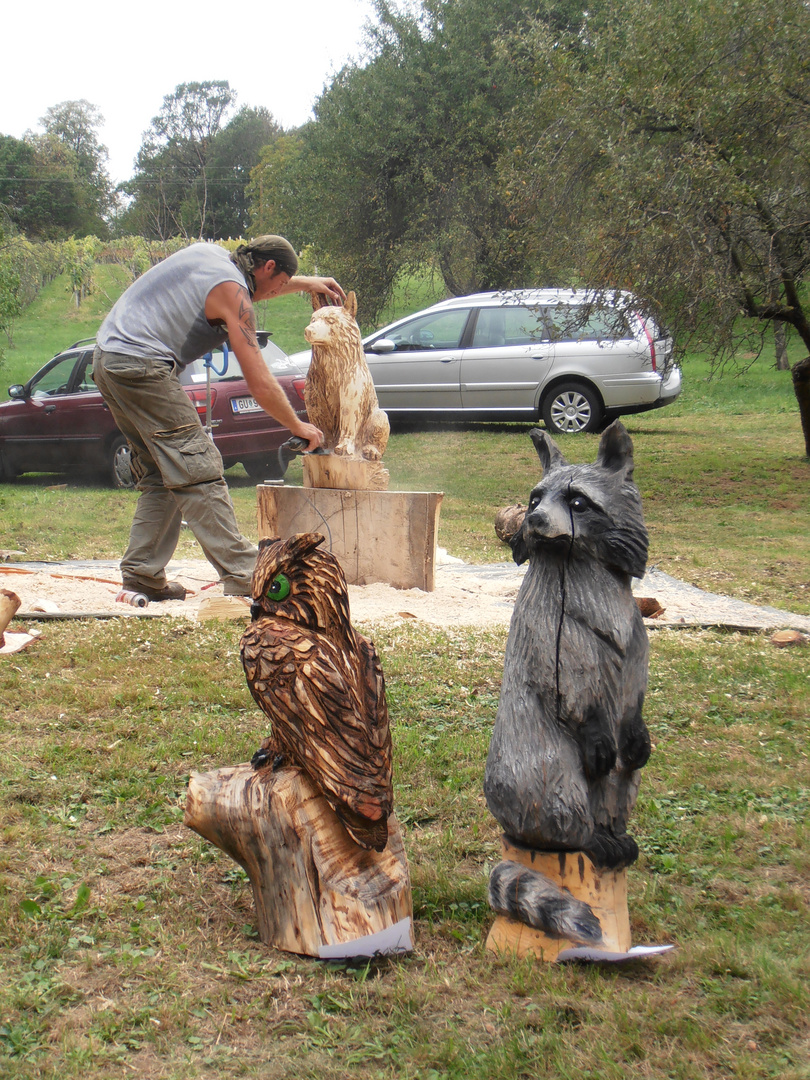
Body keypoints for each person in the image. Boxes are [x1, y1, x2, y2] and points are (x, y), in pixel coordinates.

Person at [92, 235, 345, 600]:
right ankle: (244, 573)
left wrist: (305, 283)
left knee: (161, 472)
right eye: (282, 283)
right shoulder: (234, 294)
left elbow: (255, 289)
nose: (278, 291)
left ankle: (142, 575)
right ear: (268, 268)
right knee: (199, 463)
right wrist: (297, 425)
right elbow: (258, 380)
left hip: (108, 359)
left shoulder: (211, 256)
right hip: (142, 366)